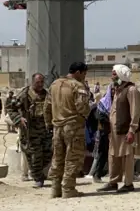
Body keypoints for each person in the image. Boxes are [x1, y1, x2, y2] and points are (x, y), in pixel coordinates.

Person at [47, 62, 91, 198]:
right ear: (78, 72)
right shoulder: (77, 86)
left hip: (57, 127)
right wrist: (86, 115)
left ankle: (55, 189)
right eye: (84, 74)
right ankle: (68, 189)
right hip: (73, 127)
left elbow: (47, 107)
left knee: (57, 158)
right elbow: (82, 106)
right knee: (73, 157)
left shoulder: (54, 84)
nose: (84, 77)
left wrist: (48, 123)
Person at [97, 64, 140, 193]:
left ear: (121, 75)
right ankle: (113, 181)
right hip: (114, 130)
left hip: (125, 130)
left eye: (114, 74)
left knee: (127, 156)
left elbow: (135, 112)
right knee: (113, 155)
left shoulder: (131, 90)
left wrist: (132, 130)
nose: (112, 77)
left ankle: (128, 183)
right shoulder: (117, 90)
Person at [7, 73, 53, 188]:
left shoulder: (47, 94)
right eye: (38, 82)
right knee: (34, 155)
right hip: (31, 131)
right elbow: (11, 108)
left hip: (45, 130)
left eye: (42, 82)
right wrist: (19, 118)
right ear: (33, 82)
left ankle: (40, 174)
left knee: (48, 153)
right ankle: (38, 178)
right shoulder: (25, 94)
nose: (40, 85)